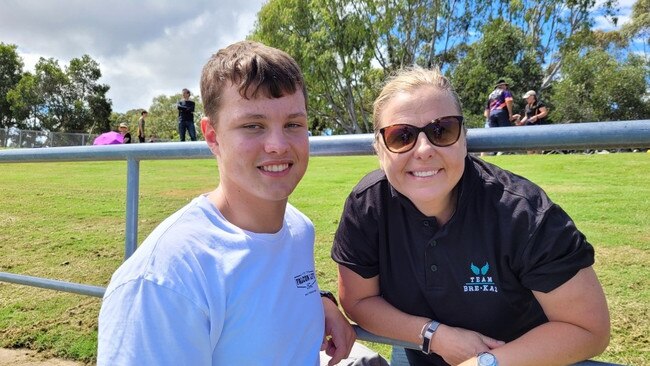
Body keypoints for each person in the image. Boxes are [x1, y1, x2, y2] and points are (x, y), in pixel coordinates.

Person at [98, 40, 357, 365]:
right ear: (211, 135)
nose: (278, 145)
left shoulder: (298, 229)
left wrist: (319, 302)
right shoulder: (164, 282)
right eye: (253, 126)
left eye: (293, 124)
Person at [331, 67, 610, 366]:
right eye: (402, 136)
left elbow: (588, 329)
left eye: (443, 131)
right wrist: (433, 335)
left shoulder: (524, 214)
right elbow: (358, 301)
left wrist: (485, 362)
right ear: (379, 148)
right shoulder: (368, 206)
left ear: (463, 137)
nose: (424, 150)